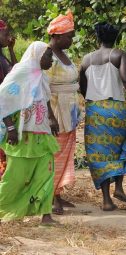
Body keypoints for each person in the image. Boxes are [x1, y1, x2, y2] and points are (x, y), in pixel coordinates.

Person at [79, 22, 126, 211]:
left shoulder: (86, 59)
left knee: (99, 153)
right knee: (118, 147)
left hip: (95, 110)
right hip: (115, 108)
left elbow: (82, 86)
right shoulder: (119, 54)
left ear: (97, 38)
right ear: (115, 38)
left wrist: (93, 100)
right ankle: (119, 187)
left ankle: (107, 200)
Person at [0, 41, 60, 224]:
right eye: (48, 55)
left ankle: (46, 214)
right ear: (37, 55)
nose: (51, 60)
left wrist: (51, 118)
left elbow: (46, 100)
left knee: (47, 172)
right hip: (23, 135)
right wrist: (10, 127)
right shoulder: (22, 72)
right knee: (15, 178)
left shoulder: (41, 76)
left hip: (41, 133)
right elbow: (3, 99)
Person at [46, 10, 81, 215]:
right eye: (69, 36)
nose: (71, 39)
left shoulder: (63, 54)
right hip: (56, 111)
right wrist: (50, 116)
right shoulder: (49, 55)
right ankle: (51, 196)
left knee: (64, 154)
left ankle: (58, 192)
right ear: (57, 36)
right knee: (54, 155)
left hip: (69, 112)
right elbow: (43, 88)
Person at [0, 20, 17, 179]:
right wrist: (10, 127)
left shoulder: (2, 55)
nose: (8, 37)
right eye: (5, 34)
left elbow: (16, 74)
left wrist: (11, 50)